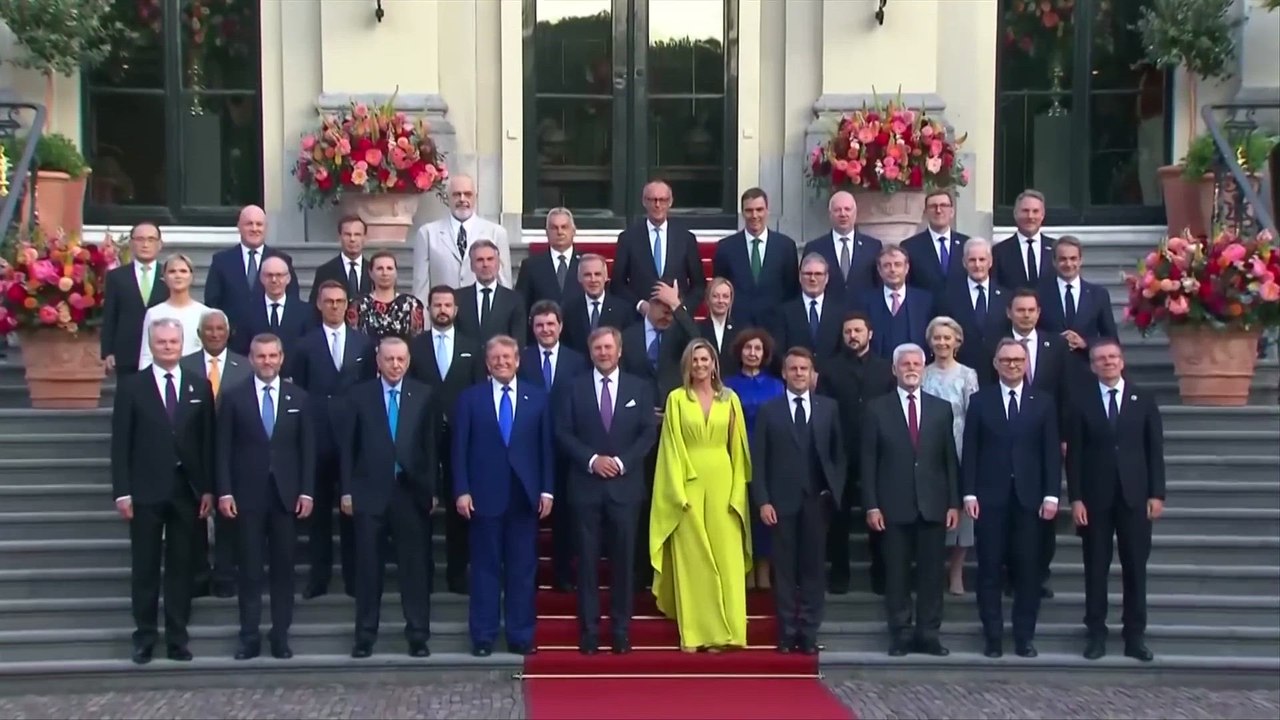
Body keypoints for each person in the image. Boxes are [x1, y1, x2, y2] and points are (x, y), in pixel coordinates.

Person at [110, 318, 215, 664]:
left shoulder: (199, 386)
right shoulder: (132, 387)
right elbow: (121, 443)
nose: (168, 347)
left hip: (187, 491)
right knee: (145, 566)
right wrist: (122, 491)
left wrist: (208, 490)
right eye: (161, 342)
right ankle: (143, 636)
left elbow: (206, 442)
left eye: (173, 341)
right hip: (145, 490)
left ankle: (176, 637)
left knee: (181, 566)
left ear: (183, 344)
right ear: (152, 345)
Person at [555, 327, 658, 655]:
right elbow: (563, 432)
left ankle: (620, 629)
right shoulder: (573, 388)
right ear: (590, 351)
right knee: (585, 563)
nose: (603, 352)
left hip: (625, 490)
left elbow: (647, 434)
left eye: (608, 347)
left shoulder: (639, 388)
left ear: (620, 350)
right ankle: (588, 631)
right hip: (585, 487)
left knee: (624, 563)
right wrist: (592, 460)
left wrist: (620, 462)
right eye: (597, 347)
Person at [216, 333, 315, 660]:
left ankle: (280, 635)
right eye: (261, 356)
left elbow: (307, 450)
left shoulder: (298, 397)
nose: (268, 362)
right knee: (250, 570)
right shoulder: (232, 397)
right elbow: (223, 450)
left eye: (273, 356)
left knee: (284, 569)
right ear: (251, 358)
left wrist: (307, 491)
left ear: (282, 358)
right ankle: (248, 636)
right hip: (247, 496)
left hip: (286, 497)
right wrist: (225, 491)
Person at [453, 336, 554, 657]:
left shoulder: (537, 398)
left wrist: (547, 489)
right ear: (487, 362)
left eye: (507, 357)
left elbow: (546, 449)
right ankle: (483, 636)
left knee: (522, 570)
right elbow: (458, 449)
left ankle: (520, 635)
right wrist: (461, 490)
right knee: (484, 569)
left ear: (517, 360)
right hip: (483, 496)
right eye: (495, 357)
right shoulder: (470, 399)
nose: (501, 362)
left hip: (524, 497)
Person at [650, 338, 751, 652]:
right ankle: (695, 633)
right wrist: (677, 491)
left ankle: (729, 633)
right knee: (694, 560)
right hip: (688, 482)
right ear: (687, 365)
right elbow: (671, 447)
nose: (700, 365)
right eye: (695, 360)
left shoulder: (729, 399)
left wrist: (737, 494)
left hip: (723, 481)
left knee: (726, 559)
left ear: (714, 364)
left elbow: (739, 448)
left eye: (705, 360)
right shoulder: (677, 399)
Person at [962, 338, 1061, 659]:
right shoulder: (980, 401)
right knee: (989, 570)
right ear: (996, 364)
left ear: (1026, 363)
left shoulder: (1043, 402)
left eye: (1018, 360)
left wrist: (1051, 495)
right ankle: (992, 636)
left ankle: (1023, 637)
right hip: (990, 498)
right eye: (1006, 360)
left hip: (1031, 500)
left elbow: (1049, 453)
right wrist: (969, 492)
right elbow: (971, 451)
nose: (1013, 365)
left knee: (1028, 571)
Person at [1066, 340, 1164, 662]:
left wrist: (1156, 494)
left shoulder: (1143, 399)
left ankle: (1134, 635)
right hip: (1095, 498)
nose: (1107, 363)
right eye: (1100, 359)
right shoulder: (1081, 401)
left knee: (1135, 568)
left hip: (1135, 496)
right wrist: (1076, 498)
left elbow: (1154, 450)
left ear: (1122, 362)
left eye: (1112, 357)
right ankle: (1095, 633)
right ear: (1092, 366)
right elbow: (1075, 456)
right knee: (1095, 568)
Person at [341, 337, 438, 659]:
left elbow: (430, 447)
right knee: (369, 569)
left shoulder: (423, 395)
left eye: (400, 359)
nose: (395, 365)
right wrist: (347, 490)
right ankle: (365, 635)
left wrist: (432, 490)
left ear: (408, 361)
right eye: (389, 359)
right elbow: (348, 448)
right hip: (370, 493)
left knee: (414, 569)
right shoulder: (359, 395)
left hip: (410, 493)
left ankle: (418, 635)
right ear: (378, 361)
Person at [861, 343, 959, 657]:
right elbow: (868, 461)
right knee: (898, 575)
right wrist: (872, 504)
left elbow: (949, 461)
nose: (911, 369)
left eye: (916, 363)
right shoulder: (877, 408)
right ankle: (901, 634)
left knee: (931, 575)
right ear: (894, 370)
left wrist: (954, 502)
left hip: (933, 504)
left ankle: (928, 634)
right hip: (893, 505)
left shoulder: (941, 408)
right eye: (905, 364)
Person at [750, 347, 845, 655]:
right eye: (793, 369)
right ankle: (787, 632)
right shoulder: (769, 410)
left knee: (814, 569)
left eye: (804, 369)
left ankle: (808, 631)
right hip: (781, 504)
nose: (799, 374)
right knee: (786, 571)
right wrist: (763, 500)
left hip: (817, 502)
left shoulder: (828, 408)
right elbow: (759, 461)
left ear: (812, 373)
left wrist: (834, 491)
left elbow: (838, 455)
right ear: (784, 373)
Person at [291, 281, 376, 599]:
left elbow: (369, 387)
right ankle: (319, 576)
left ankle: (355, 577)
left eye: (340, 301)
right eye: (329, 301)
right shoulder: (304, 345)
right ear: (319, 304)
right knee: (320, 511)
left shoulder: (363, 344)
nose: (335, 307)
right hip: (317, 434)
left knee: (354, 509)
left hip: (353, 435)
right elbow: (299, 389)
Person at [408, 285, 488, 595]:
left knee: (459, 507)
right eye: (436, 304)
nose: (442, 310)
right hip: (422, 436)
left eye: (447, 305)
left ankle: (457, 573)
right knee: (422, 505)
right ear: (428, 310)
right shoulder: (415, 346)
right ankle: (423, 573)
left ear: (456, 310)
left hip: (461, 437)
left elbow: (479, 391)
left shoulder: (472, 346)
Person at [817, 312, 896, 595]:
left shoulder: (887, 369)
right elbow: (822, 411)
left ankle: (881, 574)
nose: (853, 335)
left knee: (879, 514)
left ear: (869, 334)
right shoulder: (829, 369)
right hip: (841, 451)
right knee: (839, 518)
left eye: (858, 330)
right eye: (848, 331)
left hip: (879, 453)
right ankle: (839, 575)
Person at [517, 300, 588, 591]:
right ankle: (528, 576)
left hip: (566, 450)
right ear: (532, 329)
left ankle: (562, 574)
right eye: (539, 325)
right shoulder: (521, 359)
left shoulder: (578, 360)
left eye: (550, 324)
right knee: (527, 516)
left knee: (564, 517)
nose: (545, 330)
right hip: (528, 450)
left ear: (560, 326)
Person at [181, 308, 252, 599]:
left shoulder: (246, 367)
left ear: (228, 332)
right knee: (193, 517)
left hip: (233, 454)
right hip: (194, 452)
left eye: (219, 329)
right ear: (199, 334)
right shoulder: (184, 366)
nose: (214, 334)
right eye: (208, 329)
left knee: (228, 519)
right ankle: (197, 577)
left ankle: (225, 575)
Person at [920, 316, 981, 595]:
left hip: (959, 445)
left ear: (957, 341)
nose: (942, 342)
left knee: (962, 512)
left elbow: (974, 414)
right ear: (930, 342)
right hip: (928, 448)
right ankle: (933, 567)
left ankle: (956, 570)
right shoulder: (922, 372)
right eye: (937, 337)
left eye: (947, 338)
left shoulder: (968, 375)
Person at [723, 328, 786, 590]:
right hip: (735, 455)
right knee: (741, 514)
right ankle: (744, 571)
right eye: (748, 348)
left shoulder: (776, 385)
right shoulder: (727, 386)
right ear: (740, 352)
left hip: (769, 456)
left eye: (757, 349)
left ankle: (764, 571)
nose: (752, 353)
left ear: (765, 353)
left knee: (765, 515)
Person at [611, 179, 707, 317]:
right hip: (640, 320)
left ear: (670, 202)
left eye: (662, 200)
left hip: (676, 322)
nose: (657, 205)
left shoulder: (686, 239)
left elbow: (699, 286)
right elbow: (617, 284)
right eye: (652, 200)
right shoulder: (628, 238)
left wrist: (681, 308)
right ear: (644, 201)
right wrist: (639, 305)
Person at [412, 173, 515, 296]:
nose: (462, 199)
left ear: (475, 197)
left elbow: (504, 283)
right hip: (442, 311)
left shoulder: (496, 233)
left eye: (467, 194)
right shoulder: (428, 234)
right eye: (456, 194)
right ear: (447, 197)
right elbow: (421, 286)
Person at [711, 187, 800, 328]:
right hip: (738, 328)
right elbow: (719, 287)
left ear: (767, 211)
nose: (754, 215)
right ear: (742, 213)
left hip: (776, 327)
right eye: (749, 210)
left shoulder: (786, 247)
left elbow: (792, 290)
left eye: (759, 209)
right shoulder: (726, 248)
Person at [204, 205, 298, 337]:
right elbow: (212, 302)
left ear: (266, 227)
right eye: (249, 224)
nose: (254, 229)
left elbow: (292, 301)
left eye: (259, 224)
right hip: (233, 340)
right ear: (239, 227)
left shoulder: (282, 260)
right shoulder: (221, 261)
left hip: (270, 341)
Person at [100, 221, 168, 376]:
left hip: (162, 353)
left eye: (151, 240)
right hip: (126, 353)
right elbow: (110, 315)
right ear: (131, 243)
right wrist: (107, 351)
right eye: (140, 239)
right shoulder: (116, 276)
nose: (145, 244)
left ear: (160, 244)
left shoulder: (170, 274)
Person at [801, 191, 883, 306]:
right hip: (828, 315)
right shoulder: (815, 247)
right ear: (830, 214)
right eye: (837, 210)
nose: (843, 214)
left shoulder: (873, 246)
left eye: (847, 209)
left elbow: (879, 284)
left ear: (855, 213)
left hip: (863, 315)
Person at [516, 208, 585, 339]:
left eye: (564, 227)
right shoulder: (531, 266)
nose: (560, 232)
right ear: (547, 233)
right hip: (542, 338)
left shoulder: (587, 263)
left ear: (573, 231)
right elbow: (522, 308)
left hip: (579, 341)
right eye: (554, 228)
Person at [858, 246, 936, 361]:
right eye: (887, 265)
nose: (892, 270)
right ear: (879, 270)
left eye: (898, 264)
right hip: (877, 372)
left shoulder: (925, 301)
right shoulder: (865, 301)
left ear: (907, 268)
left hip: (915, 371)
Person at [139, 254, 210, 369]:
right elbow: (146, 355)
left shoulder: (205, 313)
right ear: (164, 277)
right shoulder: (154, 313)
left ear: (192, 277)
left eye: (183, 271)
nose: (178, 276)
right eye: (172, 271)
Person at [235, 256, 311, 359]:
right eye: (269, 275)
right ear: (261, 278)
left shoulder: (305, 312)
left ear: (288, 278)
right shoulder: (247, 312)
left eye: (279, 275)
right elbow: (242, 351)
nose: (274, 280)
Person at [454, 240, 526, 347]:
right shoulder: (458, 298)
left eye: (490, 259)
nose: (485, 264)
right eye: (479, 260)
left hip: (501, 361)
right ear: (472, 265)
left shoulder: (514, 299)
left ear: (498, 264)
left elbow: (518, 341)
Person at [560, 253, 634, 355]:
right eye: (587, 275)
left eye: (597, 274)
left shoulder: (624, 310)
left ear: (606, 277)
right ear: (579, 278)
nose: (593, 280)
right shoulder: (568, 310)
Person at [901, 189, 968, 297]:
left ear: (952, 212)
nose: (938, 210)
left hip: (960, 310)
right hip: (925, 311)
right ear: (925, 212)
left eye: (943, 205)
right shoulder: (910, 247)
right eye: (933, 206)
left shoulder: (967, 244)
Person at [349, 251, 426, 343]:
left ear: (396, 272)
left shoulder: (411, 304)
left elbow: (418, 341)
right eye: (379, 268)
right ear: (370, 273)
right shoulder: (358, 305)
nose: (385, 273)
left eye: (389, 268)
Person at [307, 215, 372, 317]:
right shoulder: (325, 271)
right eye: (347, 234)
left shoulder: (374, 270)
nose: (352, 239)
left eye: (357, 234)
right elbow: (314, 308)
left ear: (365, 238)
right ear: (340, 237)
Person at [992, 190, 1055, 290]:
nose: (1030, 217)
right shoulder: (999, 252)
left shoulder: (1056, 248)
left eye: (1035, 211)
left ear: (1042, 215)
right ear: (1015, 214)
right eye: (1025, 211)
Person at [697, 277, 741, 376]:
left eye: (725, 296)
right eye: (715, 296)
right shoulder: (698, 328)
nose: (721, 301)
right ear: (708, 299)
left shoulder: (740, 330)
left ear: (731, 300)